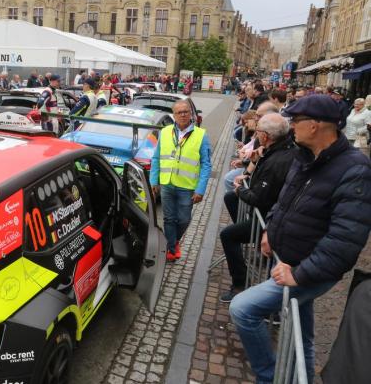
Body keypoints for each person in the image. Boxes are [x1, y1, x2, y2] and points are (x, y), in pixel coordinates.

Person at [229, 94, 371, 384]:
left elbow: (345, 239)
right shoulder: (304, 156)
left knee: (242, 309)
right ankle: (297, 377)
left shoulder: (355, 169)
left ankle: (269, 376)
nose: (291, 125)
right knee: (302, 332)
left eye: (296, 120)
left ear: (316, 125)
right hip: (285, 259)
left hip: (306, 269)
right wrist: (269, 230)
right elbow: (283, 200)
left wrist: (300, 273)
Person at [219, 113, 295, 302]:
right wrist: (249, 170)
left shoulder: (279, 159)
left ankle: (240, 283)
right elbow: (254, 176)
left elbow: (258, 197)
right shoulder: (274, 149)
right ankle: (249, 235)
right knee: (230, 198)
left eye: (259, 130)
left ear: (266, 135)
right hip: (266, 214)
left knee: (228, 235)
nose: (256, 133)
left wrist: (239, 190)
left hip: (269, 218)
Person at [150, 100, 212, 261]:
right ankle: (171, 249)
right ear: (174, 115)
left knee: (184, 219)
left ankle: (174, 240)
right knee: (168, 218)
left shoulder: (201, 135)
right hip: (167, 183)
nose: (183, 114)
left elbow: (206, 164)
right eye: (179, 112)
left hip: (187, 186)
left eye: (186, 111)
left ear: (191, 114)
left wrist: (200, 189)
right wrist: (153, 181)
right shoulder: (165, 132)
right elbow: (156, 158)